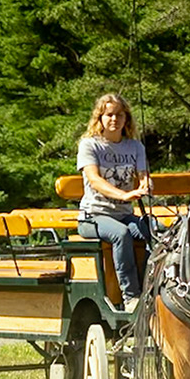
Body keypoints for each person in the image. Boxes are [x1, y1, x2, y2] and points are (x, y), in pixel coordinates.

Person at [76, 92, 154, 306]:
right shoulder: (89, 145)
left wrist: (145, 184)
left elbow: (143, 175)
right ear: (100, 118)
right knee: (121, 234)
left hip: (125, 215)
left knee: (156, 231)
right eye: (109, 114)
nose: (114, 119)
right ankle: (131, 297)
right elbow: (94, 180)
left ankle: (152, 286)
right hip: (93, 217)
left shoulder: (135, 147)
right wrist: (125, 195)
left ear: (126, 118)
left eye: (120, 115)